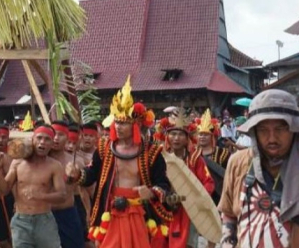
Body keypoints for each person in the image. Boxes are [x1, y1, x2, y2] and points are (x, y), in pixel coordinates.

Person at [69, 76, 174, 248]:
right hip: (110, 211)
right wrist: (77, 174)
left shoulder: (152, 152)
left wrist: (151, 191)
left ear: (136, 125)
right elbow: (92, 174)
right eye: (116, 122)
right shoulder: (104, 148)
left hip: (139, 211)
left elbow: (163, 184)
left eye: (123, 123)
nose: (118, 127)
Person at [218, 89, 299, 247]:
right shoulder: (238, 162)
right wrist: (227, 242)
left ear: (294, 129)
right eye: (263, 130)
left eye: (280, 129)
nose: (272, 138)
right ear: (253, 131)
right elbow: (228, 213)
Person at [0, 124, 65, 248]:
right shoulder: (17, 163)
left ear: (52, 144)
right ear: (32, 140)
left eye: (47, 139)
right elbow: (4, 190)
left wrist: (41, 195)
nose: (42, 142)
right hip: (21, 220)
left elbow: (62, 196)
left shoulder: (54, 166)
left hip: (44, 221)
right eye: (39, 138)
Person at [157, 108, 214, 248]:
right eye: (173, 134)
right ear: (167, 136)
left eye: (180, 135)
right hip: (163, 209)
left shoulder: (195, 160)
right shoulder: (159, 157)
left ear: (187, 138)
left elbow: (208, 183)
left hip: (188, 211)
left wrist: (195, 198)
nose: (176, 138)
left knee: (188, 243)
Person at [48, 120, 84, 248]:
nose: (56, 138)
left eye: (60, 135)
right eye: (53, 134)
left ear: (67, 137)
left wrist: (89, 214)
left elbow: (84, 191)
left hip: (68, 213)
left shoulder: (76, 162)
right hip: (44, 215)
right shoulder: (37, 160)